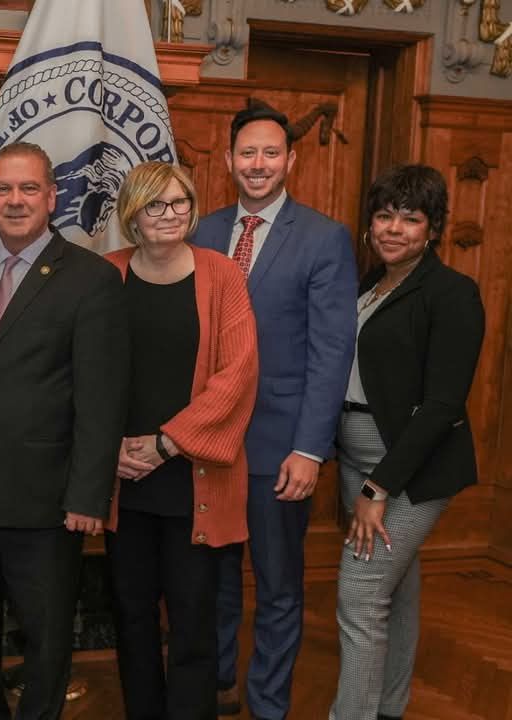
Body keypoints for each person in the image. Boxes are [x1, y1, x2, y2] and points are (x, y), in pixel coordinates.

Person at [0, 141, 128, 720]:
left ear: (52, 197)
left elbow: (102, 398)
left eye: (28, 188)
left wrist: (87, 496)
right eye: (3, 189)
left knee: (46, 638)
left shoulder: (91, 279)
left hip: (46, 499)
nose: (15, 200)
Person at [191, 100, 358, 720]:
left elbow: (331, 353)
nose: (257, 164)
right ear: (230, 161)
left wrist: (310, 449)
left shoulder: (323, 238)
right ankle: (216, 687)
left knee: (279, 586)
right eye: (246, 153)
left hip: (280, 446)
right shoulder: (202, 232)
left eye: (270, 153)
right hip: (210, 441)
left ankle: (268, 704)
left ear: (290, 159)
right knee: (213, 579)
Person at [103, 161, 258, 720]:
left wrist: (167, 444)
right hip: (124, 480)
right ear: (133, 216)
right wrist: (110, 446)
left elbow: (237, 376)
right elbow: (86, 372)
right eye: (155, 205)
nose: (170, 215)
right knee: (131, 612)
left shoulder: (222, 275)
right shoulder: (107, 274)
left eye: (180, 203)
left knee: (193, 618)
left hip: (195, 477)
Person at [329, 165, 484, 720]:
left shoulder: (452, 293)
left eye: (411, 218)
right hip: (356, 454)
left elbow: (442, 405)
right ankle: (389, 707)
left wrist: (379, 485)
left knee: (361, 596)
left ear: (434, 228)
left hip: (408, 467)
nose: (394, 228)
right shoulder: (369, 284)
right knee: (397, 589)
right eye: (384, 215)